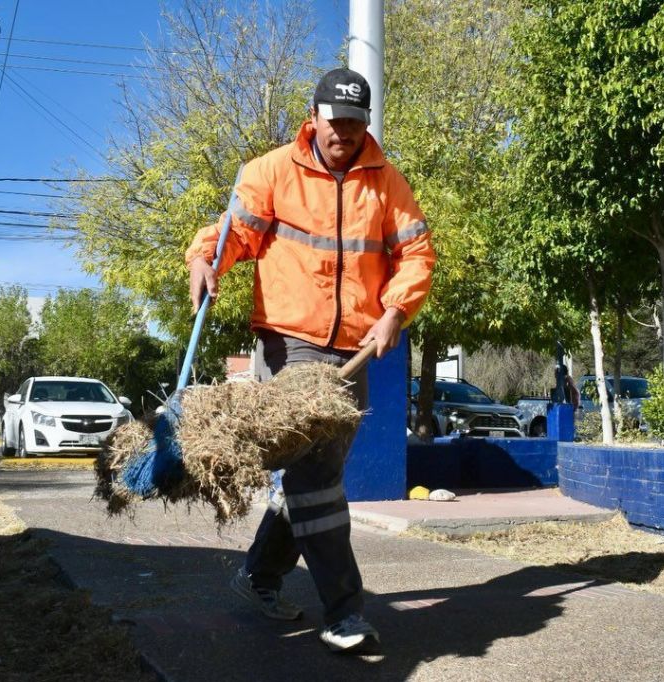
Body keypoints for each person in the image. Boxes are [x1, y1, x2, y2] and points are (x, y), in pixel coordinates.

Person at [186, 67, 436, 654]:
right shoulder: (273, 170)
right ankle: (344, 612)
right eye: (334, 121)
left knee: (308, 478)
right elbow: (233, 235)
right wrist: (205, 260)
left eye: (354, 122)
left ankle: (258, 575)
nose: (343, 133)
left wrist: (396, 310)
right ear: (314, 117)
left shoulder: (387, 184)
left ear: (365, 123)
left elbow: (416, 252)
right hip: (288, 342)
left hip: (355, 348)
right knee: (318, 477)